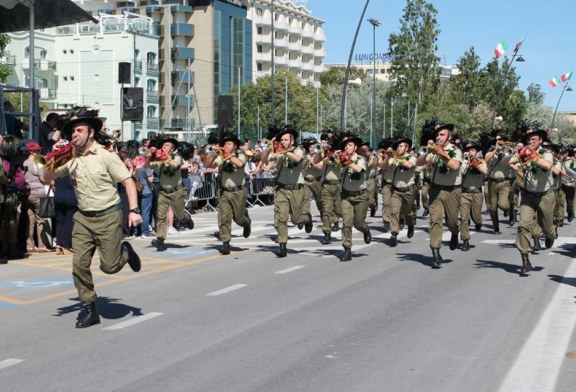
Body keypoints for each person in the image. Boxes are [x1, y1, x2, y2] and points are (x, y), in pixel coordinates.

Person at [42, 113, 143, 328]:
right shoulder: (70, 158)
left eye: (79, 130)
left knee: (110, 267)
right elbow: (46, 178)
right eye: (72, 132)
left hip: (108, 215)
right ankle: (90, 308)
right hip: (83, 218)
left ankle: (125, 252)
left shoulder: (106, 156)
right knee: (79, 265)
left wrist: (134, 210)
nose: (74, 135)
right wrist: (52, 157)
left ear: (91, 133)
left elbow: (127, 181)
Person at [506, 129, 555, 275]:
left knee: (546, 227)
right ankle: (525, 260)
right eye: (529, 140)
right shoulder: (523, 152)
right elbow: (506, 162)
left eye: (534, 139)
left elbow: (547, 165)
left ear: (540, 141)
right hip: (527, 195)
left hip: (545, 195)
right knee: (523, 226)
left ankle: (550, 234)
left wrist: (531, 154)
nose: (531, 142)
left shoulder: (546, 153)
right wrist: (509, 152)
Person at [415, 123, 463, 269]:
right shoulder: (434, 150)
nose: (439, 137)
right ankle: (435, 253)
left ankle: (455, 233)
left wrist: (441, 153)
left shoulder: (455, 150)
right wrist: (428, 152)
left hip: (452, 190)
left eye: (442, 135)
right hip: (435, 189)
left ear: (449, 137)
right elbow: (418, 162)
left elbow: (454, 166)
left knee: (452, 221)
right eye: (437, 135)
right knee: (435, 220)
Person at [261, 125, 312, 257]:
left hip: (296, 188)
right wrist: (268, 150)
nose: (282, 142)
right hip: (282, 189)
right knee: (281, 217)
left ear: (292, 141)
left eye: (285, 139)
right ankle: (282, 245)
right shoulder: (279, 152)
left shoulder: (298, 150)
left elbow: (297, 159)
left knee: (296, 219)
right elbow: (265, 161)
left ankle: (306, 218)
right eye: (281, 140)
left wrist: (284, 151)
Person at [205, 133, 252, 254]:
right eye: (224, 143)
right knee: (224, 217)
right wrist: (213, 153)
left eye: (229, 143)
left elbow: (240, 164)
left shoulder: (241, 155)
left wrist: (227, 155)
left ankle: (247, 223)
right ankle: (226, 243)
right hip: (225, 192)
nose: (226, 145)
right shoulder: (221, 156)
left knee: (239, 219)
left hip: (238, 192)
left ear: (235, 146)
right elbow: (207, 164)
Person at [147, 137, 194, 251]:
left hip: (176, 191)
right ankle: (160, 240)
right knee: (161, 216)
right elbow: (147, 166)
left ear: (173, 149)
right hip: (163, 192)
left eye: (167, 145)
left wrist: (164, 157)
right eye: (163, 145)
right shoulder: (160, 159)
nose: (164, 147)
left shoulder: (177, 157)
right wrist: (150, 156)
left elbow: (176, 166)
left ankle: (186, 218)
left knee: (179, 215)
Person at [337, 133, 371, 261]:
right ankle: (347, 249)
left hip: (360, 196)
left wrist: (347, 161)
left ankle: (365, 230)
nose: (347, 147)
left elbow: (359, 170)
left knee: (359, 223)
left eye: (350, 145)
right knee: (347, 223)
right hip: (346, 196)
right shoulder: (342, 158)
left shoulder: (361, 159)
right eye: (346, 145)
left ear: (355, 147)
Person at [380, 137, 417, 247]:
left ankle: (410, 224)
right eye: (398, 146)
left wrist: (396, 157)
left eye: (401, 146)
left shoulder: (412, 157)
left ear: (407, 148)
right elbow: (383, 166)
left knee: (407, 212)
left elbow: (408, 165)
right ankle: (394, 234)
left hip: (408, 191)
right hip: (396, 190)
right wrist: (387, 157)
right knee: (394, 211)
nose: (398, 148)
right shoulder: (394, 158)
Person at [22, 140, 51, 252]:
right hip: (38, 193)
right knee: (41, 220)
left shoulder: (25, 162)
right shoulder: (37, 162)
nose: (39, 151)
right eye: (38, 150)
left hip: (28, 194)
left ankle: (29, 245)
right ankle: (41, 245)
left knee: (30, 220)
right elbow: (42, 178)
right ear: (32, 151)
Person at [459, 142, 488, 251]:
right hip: (464, 193)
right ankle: (465, 240)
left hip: (477, 193)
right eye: (468, 150)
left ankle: (478, 221)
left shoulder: (481, 161)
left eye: (472, 150)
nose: (470, 152)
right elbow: (461, 172)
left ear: (476, 152)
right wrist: (466, 161)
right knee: (463, 218)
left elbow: (486, 171)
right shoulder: (463, 161)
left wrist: (475, 163)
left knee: (476, 216)